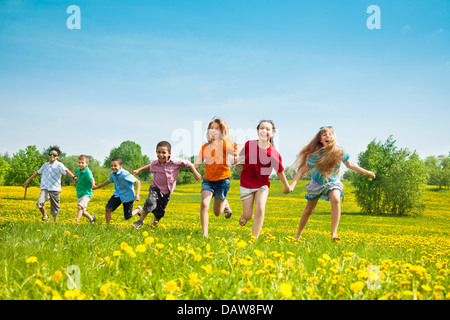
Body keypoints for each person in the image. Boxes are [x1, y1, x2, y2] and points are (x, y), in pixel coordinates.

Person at [289, 126, 376, 241]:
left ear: (334, 137)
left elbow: (349, 164)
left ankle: (333, 235)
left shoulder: (340, 152)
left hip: (332, 181)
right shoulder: (317, 155)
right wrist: (292, 185)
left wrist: (366, 172)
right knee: (309, 210)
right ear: (320, 140)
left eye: (330, 134)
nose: (328, 136)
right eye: (325, 135)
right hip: (317, 183)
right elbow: (301, 170)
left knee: (336, 199)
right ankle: (298, 235)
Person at [237, 120, 291, 239]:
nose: (264, 131)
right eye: (262, 128)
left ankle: (254, 238)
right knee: (248, 215)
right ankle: (244, 216)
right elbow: (240, 158)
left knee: (260, 209)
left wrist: (287, 186)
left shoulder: (274, 153)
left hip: (262, 184)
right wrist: (234, 159)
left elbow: (279, 171)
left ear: (272, 133)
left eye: (268, 129)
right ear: (257, 131)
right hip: (246, 183)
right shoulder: (249, 144)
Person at [131, 141, 202, 229]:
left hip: (166, 191)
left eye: (164, 152)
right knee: (150, 202)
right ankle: (140, 221)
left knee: (160, 212)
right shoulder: (155, 163)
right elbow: (149, 166)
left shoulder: (175, 161)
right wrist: (139, 170)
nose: (161, 154)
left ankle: (153, 225)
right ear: (156, 152)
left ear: (169, 153)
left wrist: (195, 173)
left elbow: (189, 164)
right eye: (158, 152)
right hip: (155, 187)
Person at [194, 119, 237, 238]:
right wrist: (189, 167)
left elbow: (234, 155)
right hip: (208, 181)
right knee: (204, 203)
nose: (213, 130)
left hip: (222, 181)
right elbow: (197, 164)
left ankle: (226, 204)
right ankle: (205, 234)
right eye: (211, 128)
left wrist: (236, 154)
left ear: (222, 132)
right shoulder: (204, 147)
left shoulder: (224, 144)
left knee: (217, 213)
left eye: (217, 129)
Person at [23, 147, 77, 222]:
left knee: (55, 208)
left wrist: (73, 177)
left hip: (55, 189)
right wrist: (28, 180)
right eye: (50, 154)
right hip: (45, 188)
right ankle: (45, 216)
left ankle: (55, 221)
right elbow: (37, 173)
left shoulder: (59, 165)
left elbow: (66, 170)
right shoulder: (45, 165)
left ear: (57, 156)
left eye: (54, 154)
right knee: (39, 203)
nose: (52, 156)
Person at [93, 157, 141, 224]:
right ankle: (108, 226)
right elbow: (109, 181)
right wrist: (98, 186)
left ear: (121, 166)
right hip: (118, 195)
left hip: (128, 196)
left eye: (115, 165)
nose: (113, 167)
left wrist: (137, 194)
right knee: (108, 208)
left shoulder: (125, 174)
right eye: (111, 166)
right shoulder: (112, 174)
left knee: (127, 216)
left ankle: (139, 209)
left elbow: (137, 181)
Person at [75, 155, 96, 224]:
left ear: (87, 163)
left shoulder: (87, 172)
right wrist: (77, 179)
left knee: (80, 207)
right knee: (82, 211)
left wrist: (93, 184)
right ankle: (91, 218)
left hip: (87, 193)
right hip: (79, 192)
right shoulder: (78, 170)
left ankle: (75, 224)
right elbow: (80, 178)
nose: (80, 164)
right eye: (79, 162)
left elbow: (92, 178)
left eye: (82, 163)